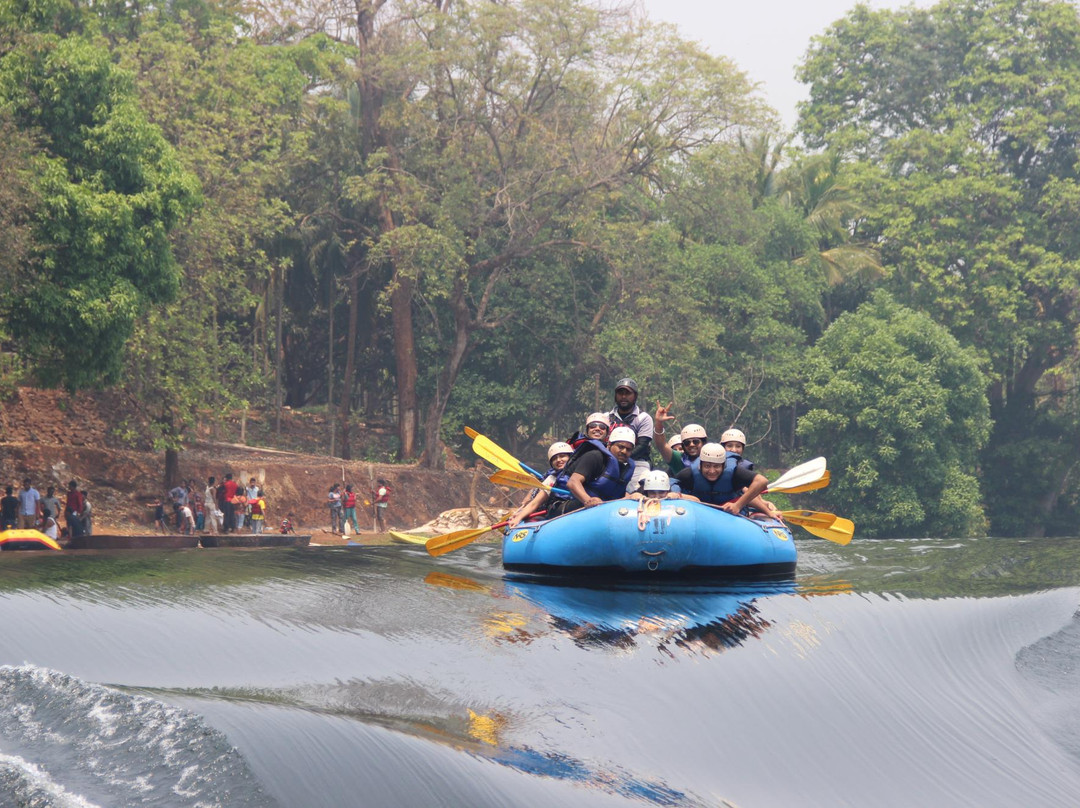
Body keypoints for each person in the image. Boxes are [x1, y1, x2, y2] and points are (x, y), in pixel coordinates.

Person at [552, 425, 637, 517]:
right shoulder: (595, 456)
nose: (624, 451)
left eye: (628, 449)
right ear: (609, 444)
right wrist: (588, 500)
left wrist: (633, 497)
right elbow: (572, 483)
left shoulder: (625, 467)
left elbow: (616, 494)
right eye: (620, 447)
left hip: (601, 507)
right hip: (566, 503)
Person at [672, 442, 771, 515]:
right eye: (707, 466)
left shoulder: (735, 473)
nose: (711, 471)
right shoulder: (690, 474)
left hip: (731, 514)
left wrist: (738, 505)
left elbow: (762, 481)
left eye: (716, 466)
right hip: (701, 514)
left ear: (723, 466)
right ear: (700, 466)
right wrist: (675, 493)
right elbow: (673, 482)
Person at [716, 428, 783, 521]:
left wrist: (764, 503)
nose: (734, 450)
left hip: (734, 508)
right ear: (723, 447)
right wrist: (768, 511)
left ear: (742, 449)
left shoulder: (740, 467)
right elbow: (747, 494)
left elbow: (750, 492)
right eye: (729, 446)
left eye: (738, 446)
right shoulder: (717, 466)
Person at [507, 441, 575, 528]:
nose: (558, 460)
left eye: (562, 456)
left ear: (570, 457)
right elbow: (535, 503)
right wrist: (519, 517)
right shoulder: (552, 479)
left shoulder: (580, 472)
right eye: (554, 458)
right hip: (557, 510)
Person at [606, 378, 654, 492]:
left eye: (628, 393)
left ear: (635, 396)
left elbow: (642, 446)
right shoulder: (606, 417)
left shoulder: (643, 418)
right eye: (620, 393)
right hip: (609, 462)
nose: (623, 397)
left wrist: (623, 458)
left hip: (637, 463)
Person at [653, 402, 708, 474]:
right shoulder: (678, 459)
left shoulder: (713, 457)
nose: (691, 445)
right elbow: (662, 445)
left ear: (703, 443)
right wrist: (659, 423)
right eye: (687, 443)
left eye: (696, 441)